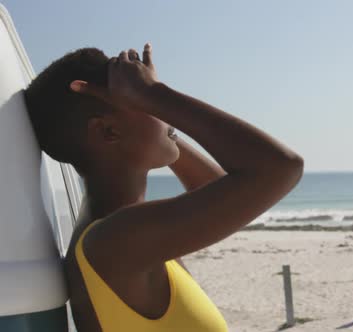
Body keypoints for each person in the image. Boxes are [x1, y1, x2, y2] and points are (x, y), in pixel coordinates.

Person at [24, 42, 304, 331]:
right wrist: (153, 95)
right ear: (108, 131)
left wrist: (153, 109)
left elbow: (221, 189)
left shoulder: (123, 229)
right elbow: (281, 168)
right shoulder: (116, 240)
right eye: (142, 102)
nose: (165, 116)